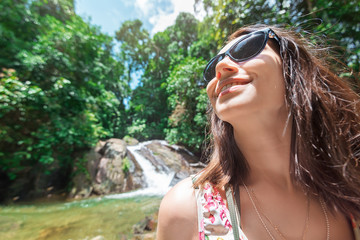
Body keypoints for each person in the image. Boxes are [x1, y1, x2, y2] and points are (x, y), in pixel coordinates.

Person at [156, 24, 360, 240]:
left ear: (292, 69)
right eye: (212, 67)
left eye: (247, 49)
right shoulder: (186, 208)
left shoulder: (351, 194)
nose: (222, 66)